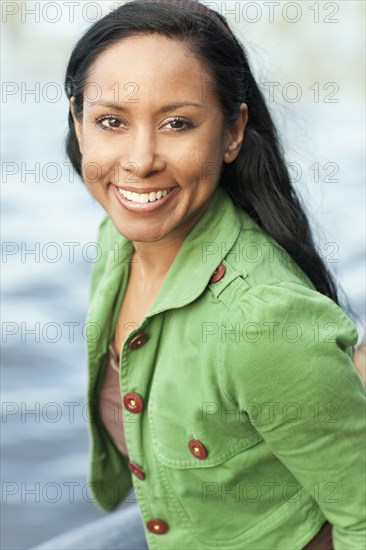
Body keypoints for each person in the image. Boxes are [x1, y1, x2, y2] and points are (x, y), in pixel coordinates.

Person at [33, 1, 366, 548]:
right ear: (78, 122)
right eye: (111, 121)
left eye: (177, 123)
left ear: (233, 132)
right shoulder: (117, 238)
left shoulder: (265, 321)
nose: (140, 161)